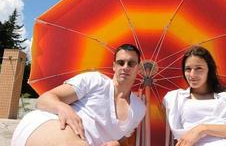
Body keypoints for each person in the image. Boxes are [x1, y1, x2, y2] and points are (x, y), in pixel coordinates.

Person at [11, 44, 146, 146]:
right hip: (55, 126)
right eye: (120, 62)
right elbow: (43, 100)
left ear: (138, 68)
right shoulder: (95, 81)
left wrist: (116, 143)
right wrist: (63, 108)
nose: (125, 67)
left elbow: (123, 138)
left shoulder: (139, 109)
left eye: (131, 63)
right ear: (114, 66)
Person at [163, 45, 226, 146]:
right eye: (188, 69)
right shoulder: (176, 98)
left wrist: (202, 129)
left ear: (209, 69)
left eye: (198, 68)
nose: (192, 75)